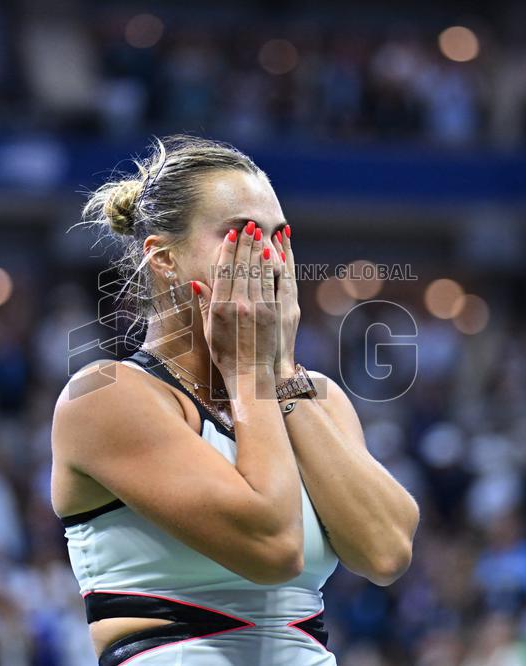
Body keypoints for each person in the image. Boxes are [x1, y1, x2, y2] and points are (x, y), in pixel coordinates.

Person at [50, 135, 419, 664]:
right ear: (164, 258)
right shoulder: (105, 396)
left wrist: (281, 372)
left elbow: (387, 552)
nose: (266, 258)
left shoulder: (317, 396)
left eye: (277, 237)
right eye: (240, 235)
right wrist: (249, 371)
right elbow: (274, 547)